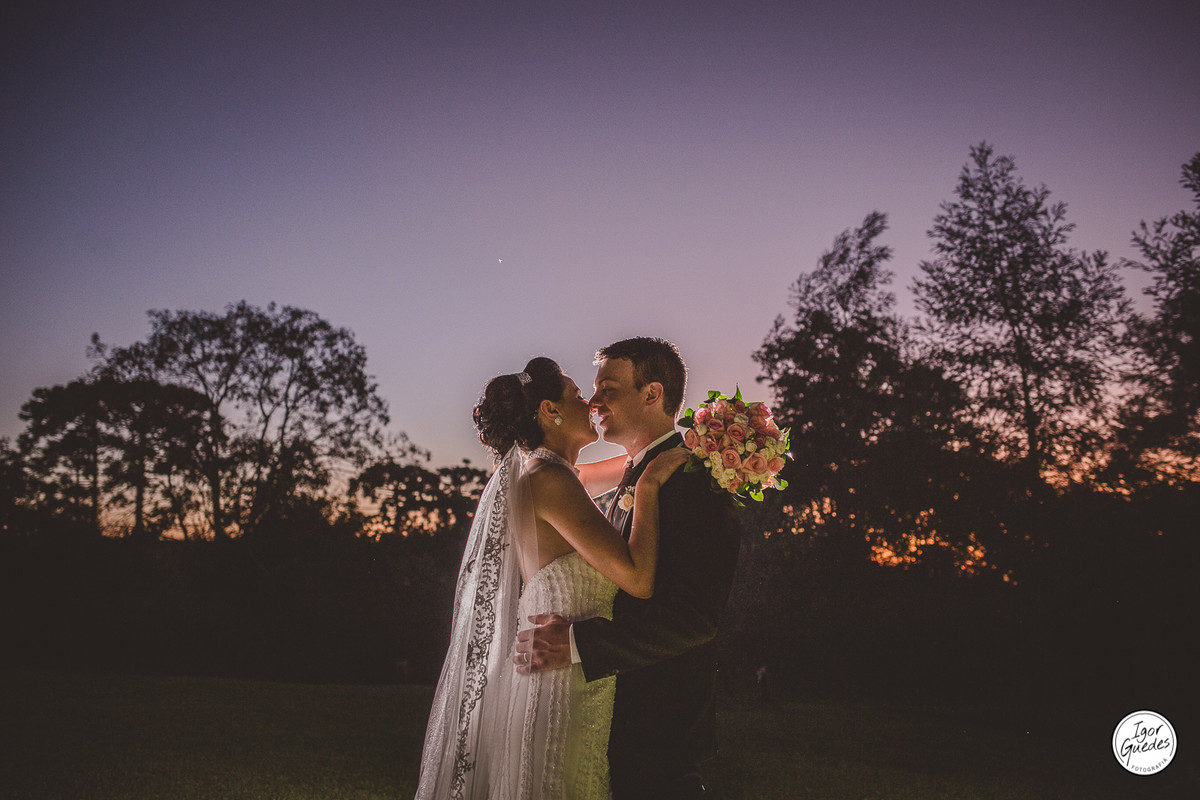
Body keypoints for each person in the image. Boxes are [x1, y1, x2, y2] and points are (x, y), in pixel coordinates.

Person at [415, 355, 689, 799]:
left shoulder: (554, 474)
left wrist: (703, 443)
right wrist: (651, 489)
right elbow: (638, 578)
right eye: (580, 396)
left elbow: (636, 463)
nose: (593, 403)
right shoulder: (550, 481)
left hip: (569, 676)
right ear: (550, 410)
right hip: (562, 687)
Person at [516, 337, 741, 798]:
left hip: (659, 729)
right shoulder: (635, 477)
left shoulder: (697, 483)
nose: (595, 401)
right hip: (604, 721)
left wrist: (576, 644)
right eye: (592, 391)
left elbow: (694, 618)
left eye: (609, 389)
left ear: (652, 394)